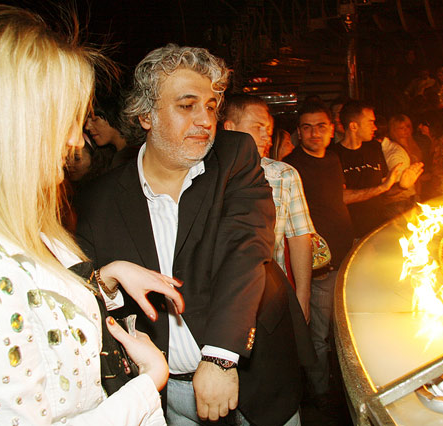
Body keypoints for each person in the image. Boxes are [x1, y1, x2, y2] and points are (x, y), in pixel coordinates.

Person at [0, 5, 185, 425]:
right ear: (6, 124)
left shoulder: (15, 225)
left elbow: (36, 315)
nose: (75, 140)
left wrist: (107, 278)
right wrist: (148, 382)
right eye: (65, 119)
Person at [75, 44, 309, 426]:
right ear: (146, 115)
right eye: (187, 105)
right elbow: (82, 294)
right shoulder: (98, 200)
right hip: (168, 393)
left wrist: (220, 357)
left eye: (212, 107)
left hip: (254, 374)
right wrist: (108, 283)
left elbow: (245, 248)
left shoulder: (234, 156)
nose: (205, 120)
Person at [283, 101, 355, 403]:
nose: (315, 133)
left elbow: (336, 201)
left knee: (341, 329)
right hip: (319, 269)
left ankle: (339, 384)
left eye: (321, 126)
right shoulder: (290, 168)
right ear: (299, 133)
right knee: (319, 334)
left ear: (332, 129)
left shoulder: (333, 158)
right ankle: (322, 394)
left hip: (346, 257)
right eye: (307, 127)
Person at [223, 94, 315, 322]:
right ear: (230, 128)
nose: (267, 136)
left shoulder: (283, 175)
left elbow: (299, 237)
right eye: (258, 127)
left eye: (269, 130)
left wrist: (302, 298)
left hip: (272, 296)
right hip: (222, 298)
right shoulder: (207, 175)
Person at [329, 102, 423, 238]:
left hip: (376, 229)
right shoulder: (333, 155)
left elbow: (384, 191)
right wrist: (382, 188)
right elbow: (341, 197)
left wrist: (401, 186)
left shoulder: (374, 148)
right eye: (370, 122)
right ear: (354, 126)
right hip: (350, 233)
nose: (375, 127)